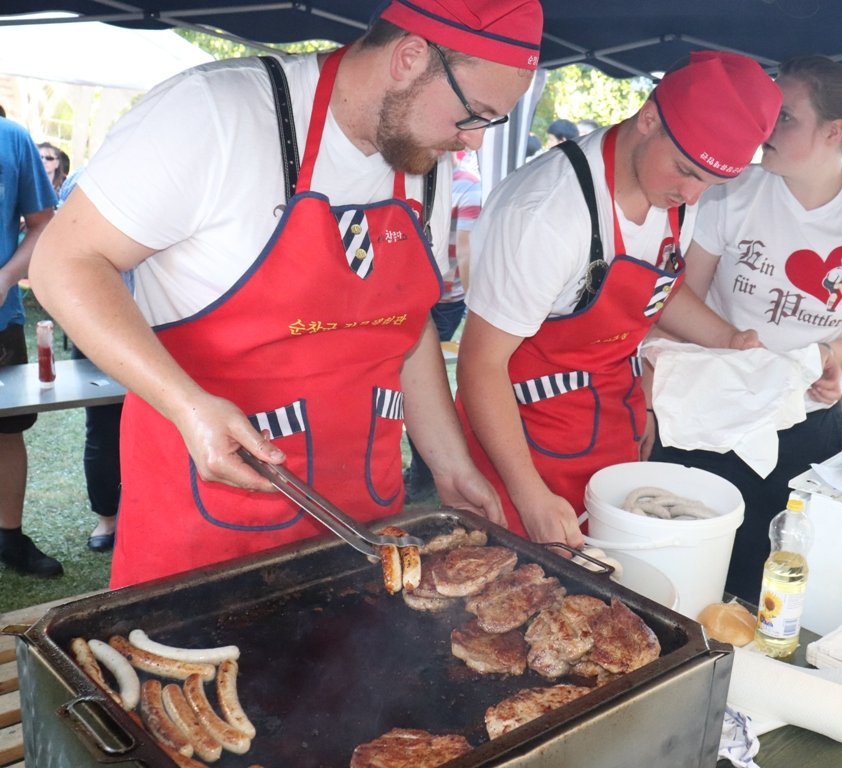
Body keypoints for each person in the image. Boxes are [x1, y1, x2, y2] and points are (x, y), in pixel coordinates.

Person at [30, 0, 543, 588]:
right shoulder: (216, 113)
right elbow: (64, 263)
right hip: (209, 524)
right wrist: (187, 405)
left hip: (362, 529)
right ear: (409, 57)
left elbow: (405, 324)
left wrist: (451, 465)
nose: (475, 143)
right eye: (474, 114)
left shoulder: (424, 157)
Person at [456, 51, 782, 549]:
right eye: (687, 172)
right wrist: (529, 496)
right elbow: (480, 366)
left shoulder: (674, 198)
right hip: (521, 443)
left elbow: (658, 290)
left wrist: (729, 339)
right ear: (648, 119)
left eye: (713, 184)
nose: (694, 196)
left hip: (611, 426)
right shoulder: (548, 214)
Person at [650, 55, 842, 603]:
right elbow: (681, 297)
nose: (765, 129)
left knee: (758, 588)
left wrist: (829, 353)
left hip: (802, 426)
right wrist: (706, 357)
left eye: (785, 117)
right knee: (673, 574)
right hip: (709, 413)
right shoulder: (733, 191)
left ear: (833, 132)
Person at [0, 114, 61, 577]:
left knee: (6, 430)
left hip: (0, 321)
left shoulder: (12, 139)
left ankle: (9, 541)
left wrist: (6, 277)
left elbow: (43, 224)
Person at [404, 149, 482, 501]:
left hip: (442, 301)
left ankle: (423, 473)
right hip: (440, 298)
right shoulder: (460, 184)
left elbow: (466, 251)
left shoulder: (461, 186)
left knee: (419, 386)